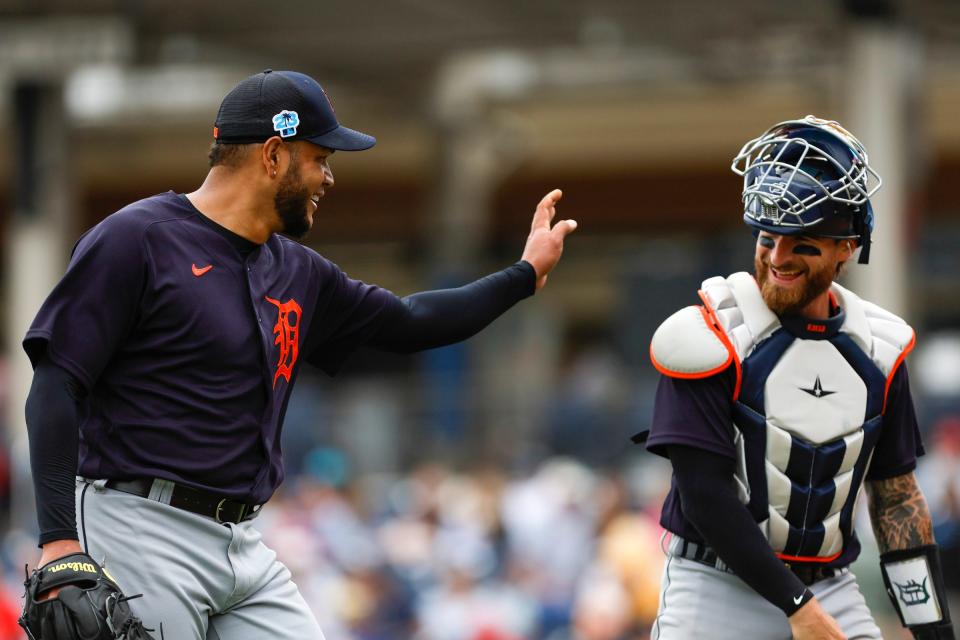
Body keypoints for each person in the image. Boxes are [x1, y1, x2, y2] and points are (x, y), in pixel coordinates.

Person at [21, 69, 577, 639]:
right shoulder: (136, 238)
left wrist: (524, 274)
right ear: (273, 155)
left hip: (243, 539)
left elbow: (411, 322)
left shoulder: (298, 271)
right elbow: (56, 385)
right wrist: (59, 539)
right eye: (320, 157)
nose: (329, 177)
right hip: (138, 524)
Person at [638, 116, 954, 639]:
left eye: (802, 243)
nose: (778, 258)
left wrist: (933, 632)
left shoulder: (882, 348)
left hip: (830, 583)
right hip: (716, 588)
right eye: (768, 238)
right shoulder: (708, 334)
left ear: (846, 248)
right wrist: (798, 609)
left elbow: (895, 497)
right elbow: (704, 495)